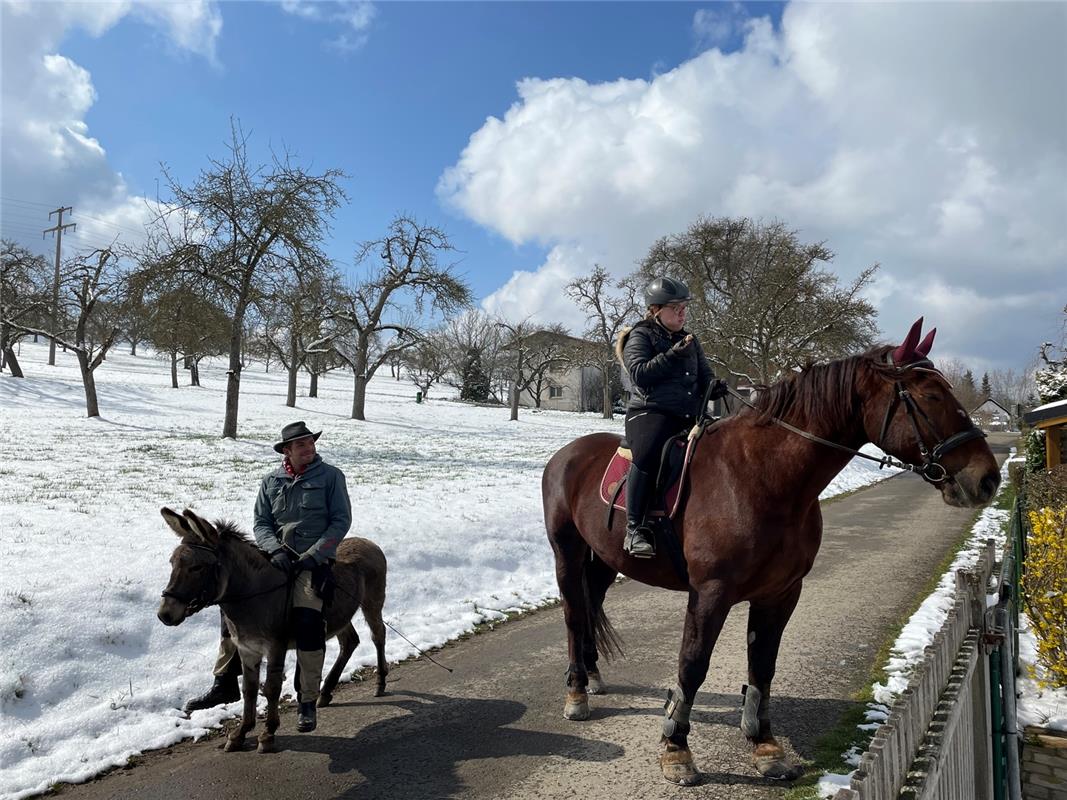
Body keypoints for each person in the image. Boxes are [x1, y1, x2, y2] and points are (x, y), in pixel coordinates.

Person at [184, 421, 351, 734]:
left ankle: (306, 699)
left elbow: (341, 521)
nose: (308, 448)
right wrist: (274, 551)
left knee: (308, 620)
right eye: (300, 445)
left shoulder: (331, 477)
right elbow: (261, 522)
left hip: (312, 563)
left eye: (310, 443)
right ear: (287, 451)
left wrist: (314, 555)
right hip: (276, 560)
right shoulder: (271, 481)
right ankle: (224, 681)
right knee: (233, 607)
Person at [617, 277, 727, 558]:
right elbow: (639, 374)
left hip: (688, 417)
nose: (682, 313)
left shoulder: (689, 340)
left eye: (684, 308)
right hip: (649, 412)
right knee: (650, 451)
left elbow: (705, 378)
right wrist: (671, 356)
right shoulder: (639, 336)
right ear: (656, 310)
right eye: (675, 307)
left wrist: (714, 388)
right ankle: (635, 529)